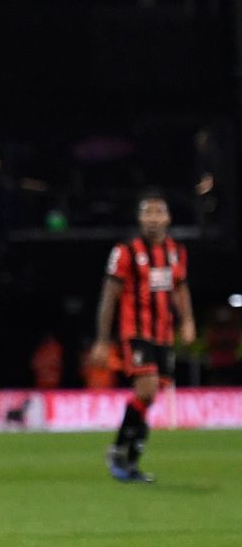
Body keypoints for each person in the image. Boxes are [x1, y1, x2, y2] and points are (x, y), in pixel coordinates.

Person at [88, 194, 195, 482]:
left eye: (158, 212)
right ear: (139, 219)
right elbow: (109, 297)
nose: (153, 218)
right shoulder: (126, 252)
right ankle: (121, 451)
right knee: (146, 390)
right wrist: (102, 339)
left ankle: (127, 457)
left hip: (163, 335)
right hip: (135, 333)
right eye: (147, 212)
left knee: (148, 397)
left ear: (168, 218)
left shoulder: (175, 252)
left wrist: (187, 321)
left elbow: (180, 288)